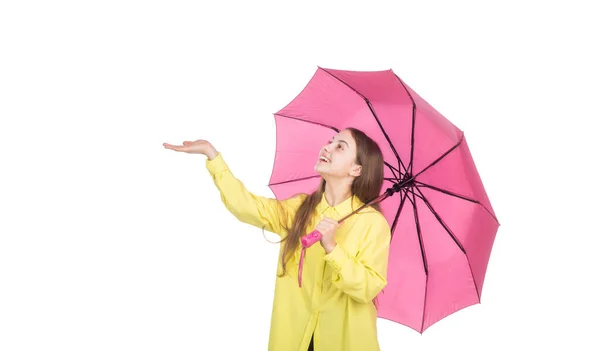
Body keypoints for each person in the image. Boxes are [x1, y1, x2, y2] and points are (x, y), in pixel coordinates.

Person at [163, 127, 391, 351]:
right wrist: (213, 156)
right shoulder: (300, 209)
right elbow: (247, 206)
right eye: (330, 141)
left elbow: (368, 288)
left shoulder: (371, 223)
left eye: (340, 147)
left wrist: (332, 248)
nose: (327, 147)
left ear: (357, 169)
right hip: (292, 340)